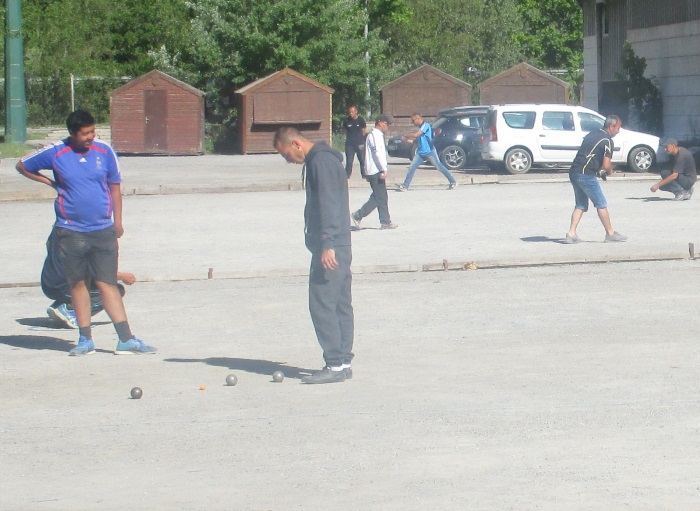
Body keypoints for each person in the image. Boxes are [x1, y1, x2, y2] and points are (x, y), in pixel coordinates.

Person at [16, 110, 156, 356]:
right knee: (77, 285)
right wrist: (49, 183)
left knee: (108, 284)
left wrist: (118, 222)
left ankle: (126, 339)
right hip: (70, 231)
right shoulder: (56, 152)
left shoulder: (105, 151)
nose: (91, 137)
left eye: (92, 131)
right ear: (73, 133)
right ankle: (85, 339)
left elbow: (115, 188)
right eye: (85, 133)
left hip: (102, 229)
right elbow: (22, 165)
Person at [273, 127, 353, 384]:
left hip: (331, 245)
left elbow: (329, 201)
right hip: (338, 242)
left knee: (322, 304)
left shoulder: (321, 162)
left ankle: (335, 364)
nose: (288, 161)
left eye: (286, 155)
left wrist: (327, 242)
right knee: (339, 302)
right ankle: (343, 362)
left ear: (296, 144)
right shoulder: (325, 160)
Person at [42, 226, 136, 329]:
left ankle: (59, 306)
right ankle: (71, 310)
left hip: (48, 282)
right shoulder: (81, 236)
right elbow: (93, 270)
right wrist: (121, 276)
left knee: (85, 282)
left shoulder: (60, 228)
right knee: (116, 290)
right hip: (65, 286)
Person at [565, 114, 627, 244]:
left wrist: (598, 170)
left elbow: (590, 155)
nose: (619, 131)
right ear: (611, 126)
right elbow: (606, 164)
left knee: (581, 204)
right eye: (618, 128)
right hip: (586, 175)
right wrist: (609, 171)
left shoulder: (592, 134)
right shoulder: (607, 140)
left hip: (574, 171)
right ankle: (610, 233)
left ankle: (571, 234)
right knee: (601, 203)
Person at [351, 115, 398, 230]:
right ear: (380, 123)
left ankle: (385, 221)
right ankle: (358, 215)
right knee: (378, 197)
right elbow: (377, 153)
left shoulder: (376, 135)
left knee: (381, 196)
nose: (387, 126)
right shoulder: (375, 136)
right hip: (375, 170)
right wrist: (383, 169)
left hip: (375, 169)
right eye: (386, 124)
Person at [396, 112, 457, 191]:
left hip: (430, 151)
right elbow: (416, 142)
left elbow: (416, 134)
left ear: (418, 119)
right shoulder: (420, 128)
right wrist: (407, 140)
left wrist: (406, 135)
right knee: (412, 167)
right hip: (420, 153)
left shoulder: (426, 126)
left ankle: (453, 181)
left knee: (439, 166)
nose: (412, 123)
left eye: (413, 121)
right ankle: (405, 186)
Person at [342, 105, 366, 178]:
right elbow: (344, 131)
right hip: (350, 144)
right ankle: (347, 175)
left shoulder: (361, 120)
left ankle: (364, 175)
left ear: (356, 112)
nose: (351, 113)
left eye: (352, 112)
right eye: (350, 112)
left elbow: (364, 130)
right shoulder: (346, 121)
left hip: (359, 143)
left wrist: (362, 139)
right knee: (349, 161)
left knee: (362, 160)